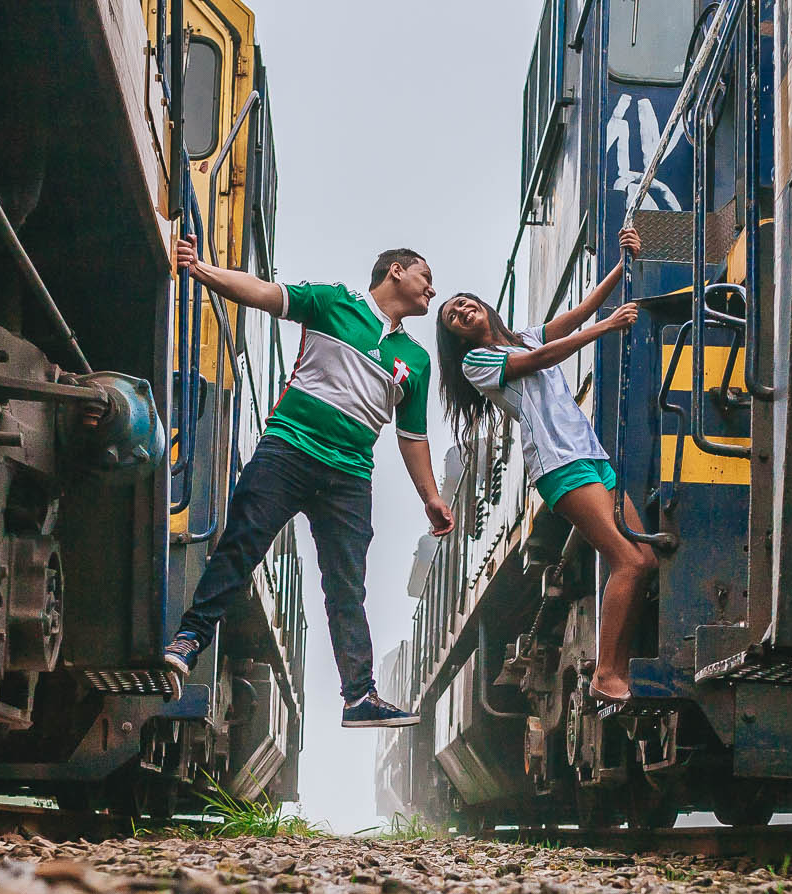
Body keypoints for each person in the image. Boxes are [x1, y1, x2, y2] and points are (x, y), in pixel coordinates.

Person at [160, 236, 455, 728]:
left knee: (346, 588)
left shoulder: (416, 360)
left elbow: (412, 437)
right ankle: (188, 640)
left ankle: (359, 697)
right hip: (288, 451)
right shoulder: (333, 302)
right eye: (426, 276)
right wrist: (202, 270)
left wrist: (431, 498)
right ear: (396, 271)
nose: (432, 288)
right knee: (241, 547)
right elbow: (263, 293)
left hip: (350, 477)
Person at [435, 226, 658, 704]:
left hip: (590, 453)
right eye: (452, 315)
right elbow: (542, 359)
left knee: (645, 560)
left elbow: (580, 313)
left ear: (482, 305)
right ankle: (607, 674)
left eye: (464, 301)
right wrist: (605, 328)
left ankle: (615, 667)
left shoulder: (523, 335)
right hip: (559, 465)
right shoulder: (478, 363)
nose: (461, 309)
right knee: (625, 560)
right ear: (454, 335)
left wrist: (623, 263)